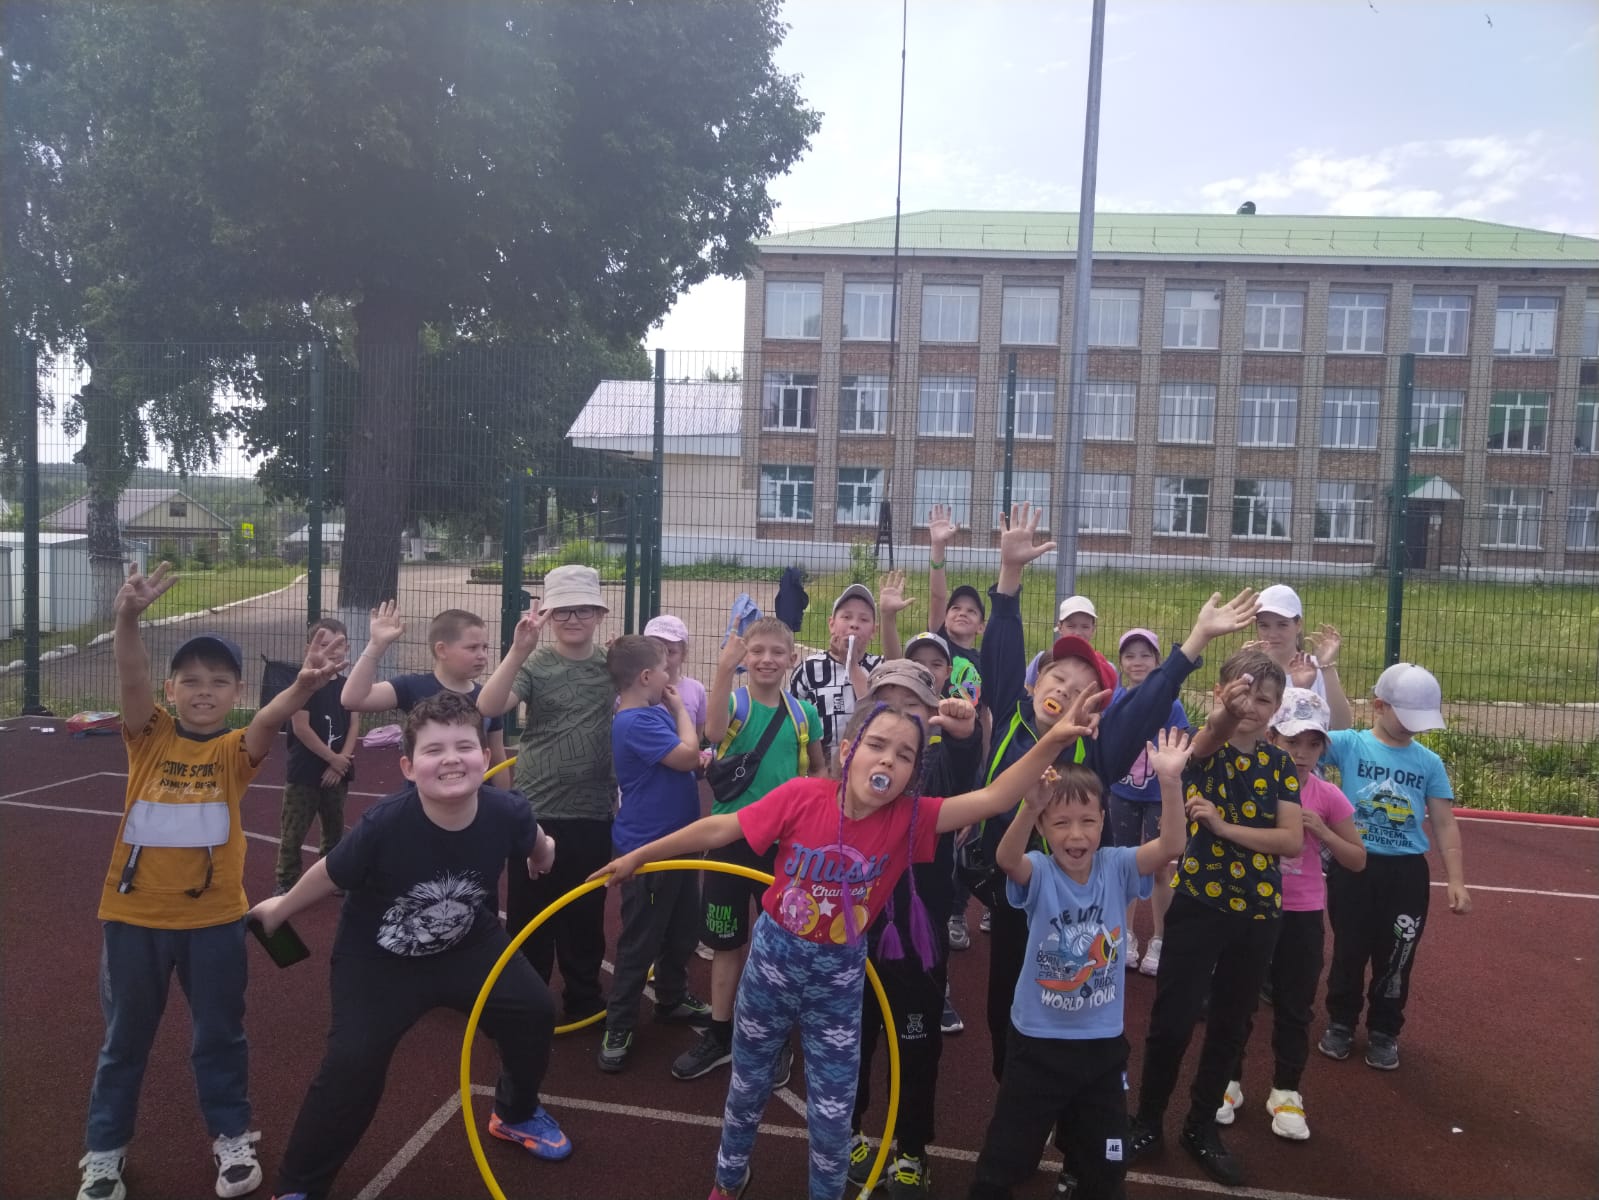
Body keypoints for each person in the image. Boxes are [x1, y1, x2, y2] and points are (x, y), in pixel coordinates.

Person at [590, 687, 1105, 1200]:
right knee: (747, 1086)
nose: (888, 761)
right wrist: (641, 855)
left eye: (905, 755)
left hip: (837, 982)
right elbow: (722, 826)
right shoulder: (802, 796)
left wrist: (1055, 740)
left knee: (834, 1113)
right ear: (847, 750)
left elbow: (994, 798)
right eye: (877, 745)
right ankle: (729, 1179)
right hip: (772, 966)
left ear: (913, 772)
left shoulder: (910, 818)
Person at [77, 562, 347, 1200]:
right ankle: (104, 1152)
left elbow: (271, 720)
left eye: (219, 681)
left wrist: (302, 685)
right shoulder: (147, 737)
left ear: (235, 693)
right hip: (134, 920)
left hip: (215, 923)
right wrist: (126, 618)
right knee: (124, 1041)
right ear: (170, 690)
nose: (204, 691)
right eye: (191, 681)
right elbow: (130, 673)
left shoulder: (234, 752)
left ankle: (231, 1136)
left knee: (220, 1036)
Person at [977, 502, 1260, 1082]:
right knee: (1003, 997)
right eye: (1057, 677)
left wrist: (1194, 642)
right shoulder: (1010, 712)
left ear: (1098, 709)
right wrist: (1010, 574)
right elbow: (1001, 646)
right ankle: (1014, 1086)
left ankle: (1072, 1079)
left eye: (1082, 688)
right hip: (1008, 880)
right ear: (1034, 684)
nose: (1065, 689)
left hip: (1066, 895)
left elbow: (1150, 702)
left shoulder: (1098, 748)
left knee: (1065, 986)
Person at [253, 693, 568, 1200]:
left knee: (534, 1011)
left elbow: (535, 838)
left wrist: (542, 856)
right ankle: (299, 1185)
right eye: (433, 750)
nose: (451, 759)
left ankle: (515, 1112)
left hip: (469, 944)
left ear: (486, 756)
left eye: (464, 746)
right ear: (408, 766)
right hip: (380, 959)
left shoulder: (506, 810)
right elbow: (331, 872)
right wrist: (281, 908)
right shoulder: (386, 823)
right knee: (352, 1063)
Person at [968, 729, 1191, 1200]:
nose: (1076, 834)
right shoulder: (1039, 870)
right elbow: (1006, 858)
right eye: (1061, 822)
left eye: (1088, 821)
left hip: (1101, 1046)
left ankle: (1083, 1175)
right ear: (1044, 829)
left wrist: (1170, 783)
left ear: (1103, 821)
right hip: (1038, 1042)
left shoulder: (1118, 866)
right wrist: (1028, 807)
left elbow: (1171, 845)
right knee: (1006, 1157)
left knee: (1106, 1166)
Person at [1128, 649, 1305, 1189]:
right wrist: (1229, 710)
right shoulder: (1199, 753)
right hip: (1199, 906)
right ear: (1221, 694)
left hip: (1257, 912)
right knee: (1173, 1020)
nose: (1253, 707)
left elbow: (1290, 840)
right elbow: (1211, 735)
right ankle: (1148, 1121)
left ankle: (1200, 1126)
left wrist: (1225, 828)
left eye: (1265, 700)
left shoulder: (1280, 765)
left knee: (1231, 1025)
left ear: (1278, 708)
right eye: (1243, 695)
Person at [844, 658, 984, 1199]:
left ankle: (911, 1149)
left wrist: (965, 738)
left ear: (931, 717)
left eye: (914, 707)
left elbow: (966, 769)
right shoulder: (855, 767)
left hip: (917, 941)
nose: (901, 716)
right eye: (888, 704)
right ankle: (850, 1133)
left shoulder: (938, 769)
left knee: (916, 1047)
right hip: (855, 934)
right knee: (852, 1042)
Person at [672, 617, 825, 1082]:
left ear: (792, 658)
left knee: (781, 946)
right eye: (756, 651)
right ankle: (720, 1033)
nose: (766, 660)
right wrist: (723, 670)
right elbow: (714, 733)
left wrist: (808, 807)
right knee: (726, 941)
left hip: (783, 848)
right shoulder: (735, 702)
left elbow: (819, 770)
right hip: (730, 841)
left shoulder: (804, 714)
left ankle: (775, 1038)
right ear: (745, 657)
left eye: (777, 652)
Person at [1214, 688, 1366, 1142]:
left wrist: (1322, 831)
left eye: (1313, 744)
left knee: (1295, 1004)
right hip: (1250, 906)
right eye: (1292, 742)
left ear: (1323, 748)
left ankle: (1286, 1091)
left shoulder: (1328, 795)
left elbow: (1357, 859)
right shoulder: (1250, 783)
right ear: (1272, 738)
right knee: (1237, 997)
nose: (1301, 754)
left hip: (1302, 913)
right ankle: (1228, 1081)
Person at [477, 565, 615, 1023]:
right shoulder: (535, 664)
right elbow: (488, 705)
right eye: (562, 611)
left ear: (599, 614)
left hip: (593, 809)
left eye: (583, 610)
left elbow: (653, 689)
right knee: (529, 913)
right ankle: (527, 1002)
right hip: (537, 809)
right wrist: (518, 650)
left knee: (585, 912)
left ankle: (584, 996)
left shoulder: (611, 666)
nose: (572, 619)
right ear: (549, 615)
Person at [1316, 662, 1470, 1071]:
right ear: (1379, 706)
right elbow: (1306, 736)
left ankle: (1384, 1030)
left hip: (1406, 875)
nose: (1414, 727)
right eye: (1406, 716)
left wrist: (1456, 880)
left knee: (1398, 954)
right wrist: (1325, 672)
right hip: (1355, 867)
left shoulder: (1429, 762)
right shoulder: (1351, 745)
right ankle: (1341, 1021)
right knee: (1349, 949)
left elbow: (1444, 822)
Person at [597, 636, 714, 1073]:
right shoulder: (637, 721)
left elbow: (685, 759)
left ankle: (671, 997)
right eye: (664, 669)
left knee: (682, 929)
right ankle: (619, 1024)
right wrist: (682, 710)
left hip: (678, 843)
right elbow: (686, 757)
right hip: (648, 851)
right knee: (640, 940)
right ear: (647, 677)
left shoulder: (650, 713)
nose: (670, 677)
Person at [1106, 628, 1192, 978]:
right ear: (1121, 663)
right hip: (1122, 793)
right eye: (1130, 656)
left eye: (1145, 655)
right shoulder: (1117, 699)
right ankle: (1123, 935)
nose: (1137, 662)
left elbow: (1181, 745)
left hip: (1158, 796)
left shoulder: (1170, 705)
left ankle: (1160, 938)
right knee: (1125, 863)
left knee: (1160, 867)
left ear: (1158, 662)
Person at [340, 603, 507, 763]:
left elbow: (497, 757)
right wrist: (376, 645)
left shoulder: (488, 698)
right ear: (441, 650)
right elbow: (352, 700)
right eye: (472, 648)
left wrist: (503, 785)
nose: (482, 655)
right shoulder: (412, 685)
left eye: (485, 647)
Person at [276, 618, 356, 895]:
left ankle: (330, 878)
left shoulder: (348, 686)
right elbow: (301, 728)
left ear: (347, 648)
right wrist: (332, 758)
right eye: (323, 644)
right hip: (305, 772)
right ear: (309, 648)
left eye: (338, 644)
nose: (331, 650)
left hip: (338, 772)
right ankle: (286, 881)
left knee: (334, 829)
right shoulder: (305, 686)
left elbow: (354, 725)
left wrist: (342, 761)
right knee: (293, 831)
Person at [789, 582, 884, 758]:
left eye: (864, 620)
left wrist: (852, 664)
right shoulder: (809, 669)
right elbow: (792, 720)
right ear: (831, 624)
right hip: (819, 766)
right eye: (846, 617)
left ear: (874, 631)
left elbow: (879, 716)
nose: (854, 624)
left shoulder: (880, 668)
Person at [1249, 584, 1353, 728]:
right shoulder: (1251, 668)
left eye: (1282, 625)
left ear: (1298, 625)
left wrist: (1327, 667)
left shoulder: (1318, 668)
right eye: (1264, 625)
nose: (1272, 634)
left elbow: (1342, 726)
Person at [644, 613, 708, 742]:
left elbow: (698, 735)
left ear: (683, 655)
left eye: (670, 652)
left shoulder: (696, 690)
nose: (662, 659)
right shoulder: (635, 689)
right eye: (655, 651)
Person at [1025, 593, 1098, 689]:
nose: (1078, 633)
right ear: (1060, 627)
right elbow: (1029, 690)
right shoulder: (1042, 659)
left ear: (1093, 629)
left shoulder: (1101, 667)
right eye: (1071, 626)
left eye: (1085, 627)